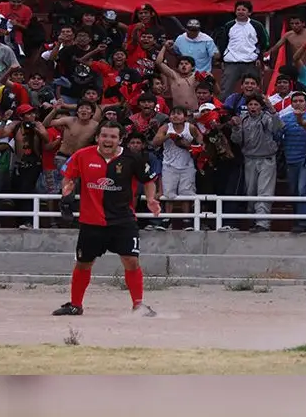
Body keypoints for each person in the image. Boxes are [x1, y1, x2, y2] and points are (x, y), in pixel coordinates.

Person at [53, 121, 161, 317]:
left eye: (112, 137)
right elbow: (68, 177)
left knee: (131, 262)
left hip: (123, 221)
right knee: (83, 263)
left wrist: (151, 199)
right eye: (104, 136)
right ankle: (75, 305)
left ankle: (139, 305)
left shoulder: (133, 158)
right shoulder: (82, 155)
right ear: (97, 137)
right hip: (90, 222)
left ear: (119, 140)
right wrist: (67, 190)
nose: (108, 140)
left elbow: (149, 180)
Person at [230, 94, 284, 233]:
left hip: (267, 160)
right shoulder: (243, 120)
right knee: (250, 191)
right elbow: (236, 140)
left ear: (261, 106)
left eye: (256, 105)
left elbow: (278, 128)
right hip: (249, 159)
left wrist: (272, 110)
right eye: (251, 105)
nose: (253, 107)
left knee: (264, 192)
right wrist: (235, 128)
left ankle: (263, 223)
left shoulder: (266, 117)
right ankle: (253, 220)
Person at [152, 106, 202, 230]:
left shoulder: (190, 127)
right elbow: (155, 142)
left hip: (187, 166)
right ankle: (166, 219)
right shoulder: (165, 127)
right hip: (169, 165)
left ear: (185, 117)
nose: (175, 116)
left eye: (179, 114)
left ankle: (187, 220)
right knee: (169, 194)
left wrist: (190, 146)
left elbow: (201, 141)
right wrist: (168, 136)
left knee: (186, 193)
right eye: (173, 114)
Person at [279, 92, 306, 234]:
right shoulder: (284, 119)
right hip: (290, 160)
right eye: (295, 101)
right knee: (294, 191)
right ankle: (298, 220)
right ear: (291, 103)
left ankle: (304, 222)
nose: (298, 103)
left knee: (303, 190)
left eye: (300, 101)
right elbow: (277, 137)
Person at [215, 0, 270, 96]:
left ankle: (255, 109)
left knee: (254, 90)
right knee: (225, 90)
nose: (240, 12)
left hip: (250, 63)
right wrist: (221, 60)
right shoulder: (229, 25)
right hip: (231, 63)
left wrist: (259, 57)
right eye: (238, 10)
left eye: (243, 10)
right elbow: (223, 43)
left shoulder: (257, 25)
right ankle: (223, 110)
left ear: (249, 12)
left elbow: (265, 42)